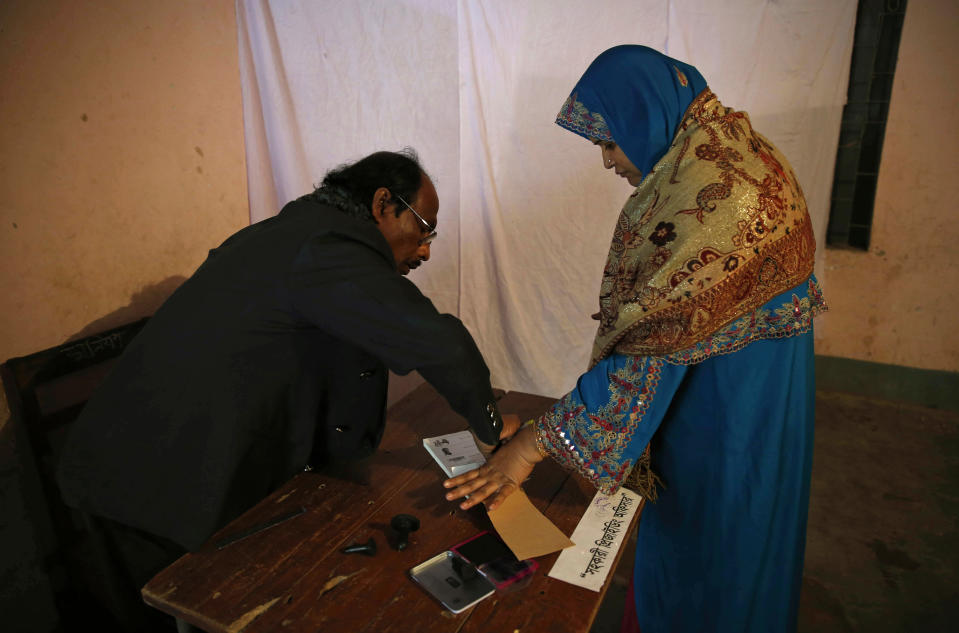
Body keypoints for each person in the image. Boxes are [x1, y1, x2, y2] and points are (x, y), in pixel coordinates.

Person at [443, 46, 827, 633]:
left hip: (727, 414)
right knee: (756, 536)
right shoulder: (739, 153)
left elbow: (652, 349)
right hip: (763, 396)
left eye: (609, 141)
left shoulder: (716, 196)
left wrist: (530, 448)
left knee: (715, 548)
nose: (606, 161)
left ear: (644, 116)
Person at [57, 149, 512, 627]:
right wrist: (490, 429)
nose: (424, 249)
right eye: (423, 227)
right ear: (382, 204)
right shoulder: (326, 250)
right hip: (156, 478)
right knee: (220, 606)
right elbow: (438, 343)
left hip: (155, 459)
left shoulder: (293, 234)